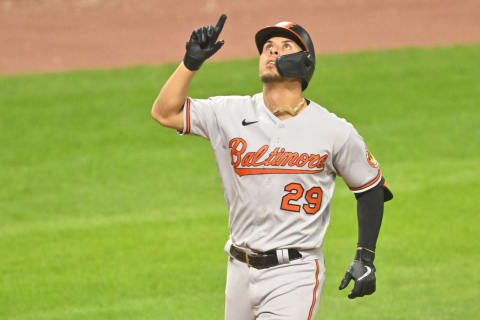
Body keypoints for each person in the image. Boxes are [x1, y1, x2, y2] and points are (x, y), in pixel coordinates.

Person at [151, 14, 393, 320]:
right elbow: (164, 113)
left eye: (285, 46)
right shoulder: (228, 112)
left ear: (305, 63)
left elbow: (371, 187)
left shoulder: (333, 130)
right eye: (267, 47)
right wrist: (190, 63)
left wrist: (365, 256)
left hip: (295, 273)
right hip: (238, 268)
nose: (272, 51)